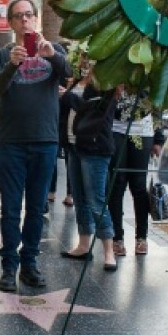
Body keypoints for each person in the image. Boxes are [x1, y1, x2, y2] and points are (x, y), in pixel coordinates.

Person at [0, 0, 72, 292]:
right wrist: (12, 65)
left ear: (36, 19)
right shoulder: (1, 54)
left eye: (29, 15)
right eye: (18, 16)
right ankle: (9, 267)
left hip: (45, 141)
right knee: (10, 209)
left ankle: (30, 264)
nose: (25, 20)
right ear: (10, 23)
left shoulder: (54, 50)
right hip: (11, 142)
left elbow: (70, 73)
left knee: (36, 209)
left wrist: (52, 56)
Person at [59, 63, 119, 270]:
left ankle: (109, 250)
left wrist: (66, 95)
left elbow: (89, 110)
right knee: (80, 197)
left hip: (95, 148)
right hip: (73, 144)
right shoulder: (76, 81)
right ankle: (84, 245)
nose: (86, 62)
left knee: (96, 200)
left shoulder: (106, 86)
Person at [107, 88, 160, 256]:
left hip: (142, 130)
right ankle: (116, 238)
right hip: (116, 128)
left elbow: (159, 101)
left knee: (138, 185)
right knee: (117, 183)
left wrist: (158, 139)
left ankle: (141, 237)